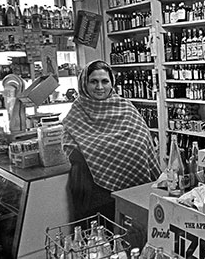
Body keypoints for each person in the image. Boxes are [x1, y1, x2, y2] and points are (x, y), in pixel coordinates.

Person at [62, 60, 162, 222]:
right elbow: (71, 151)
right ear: (84, 84)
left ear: (112, 83)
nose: (100, 87)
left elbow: (143, 140)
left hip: (133, 185)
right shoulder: (77, 112)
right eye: (93, 81)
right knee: (100, 237)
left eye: (105, 81)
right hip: (93, 191)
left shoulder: (125, 107)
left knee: (131, 233)